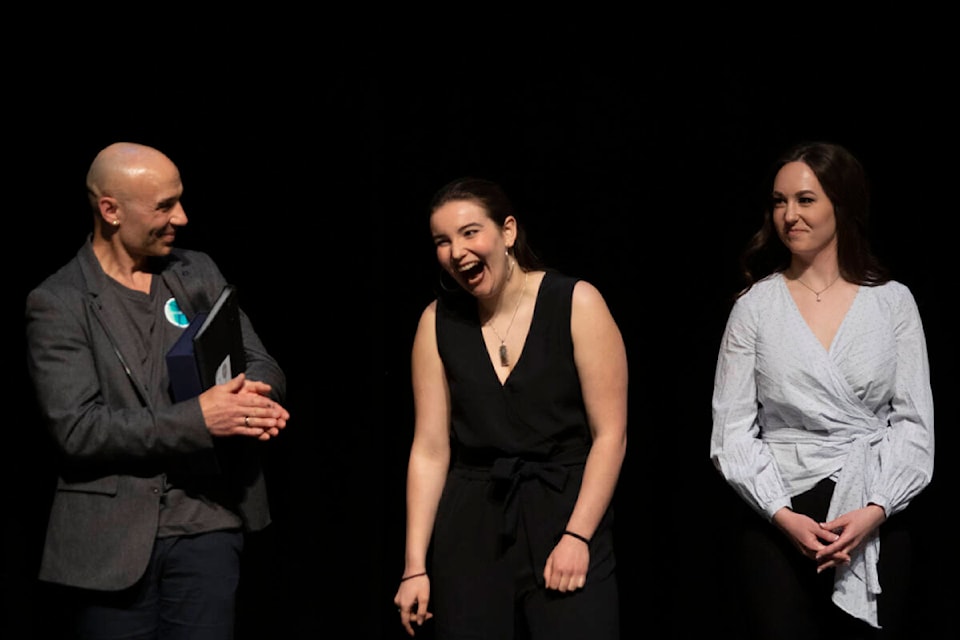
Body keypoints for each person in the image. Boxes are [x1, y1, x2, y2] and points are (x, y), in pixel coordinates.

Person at [24, 142, 290, 639]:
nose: (182, 217)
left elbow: (261, 361)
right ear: (111, 209)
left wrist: (254, 399)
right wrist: (201, 418)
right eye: (164, 205)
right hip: (112, 544)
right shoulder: (59, 302)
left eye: (180, 200)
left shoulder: (195, 273)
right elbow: (78, 430)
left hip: (207, 523)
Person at [709, 141, 934, 639]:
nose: (789, 215)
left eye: (805, 200)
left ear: (842, 203)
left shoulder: (892, 303)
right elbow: (731, 432)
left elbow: (915, 427)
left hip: (874, 511)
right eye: (778, 201)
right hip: (779, 512)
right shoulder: (755, 307)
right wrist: (783, 517)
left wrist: (875, 510)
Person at [392, 177, 628, 638]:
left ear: (508, 231)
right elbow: (430, 450)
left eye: (469, 232)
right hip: (473, 522)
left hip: (564, 509)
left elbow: (610, 436)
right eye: (442, 241)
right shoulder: (436, 323)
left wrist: (577, 536)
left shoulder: (575, 302)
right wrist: (414, 565)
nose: (457, 251)